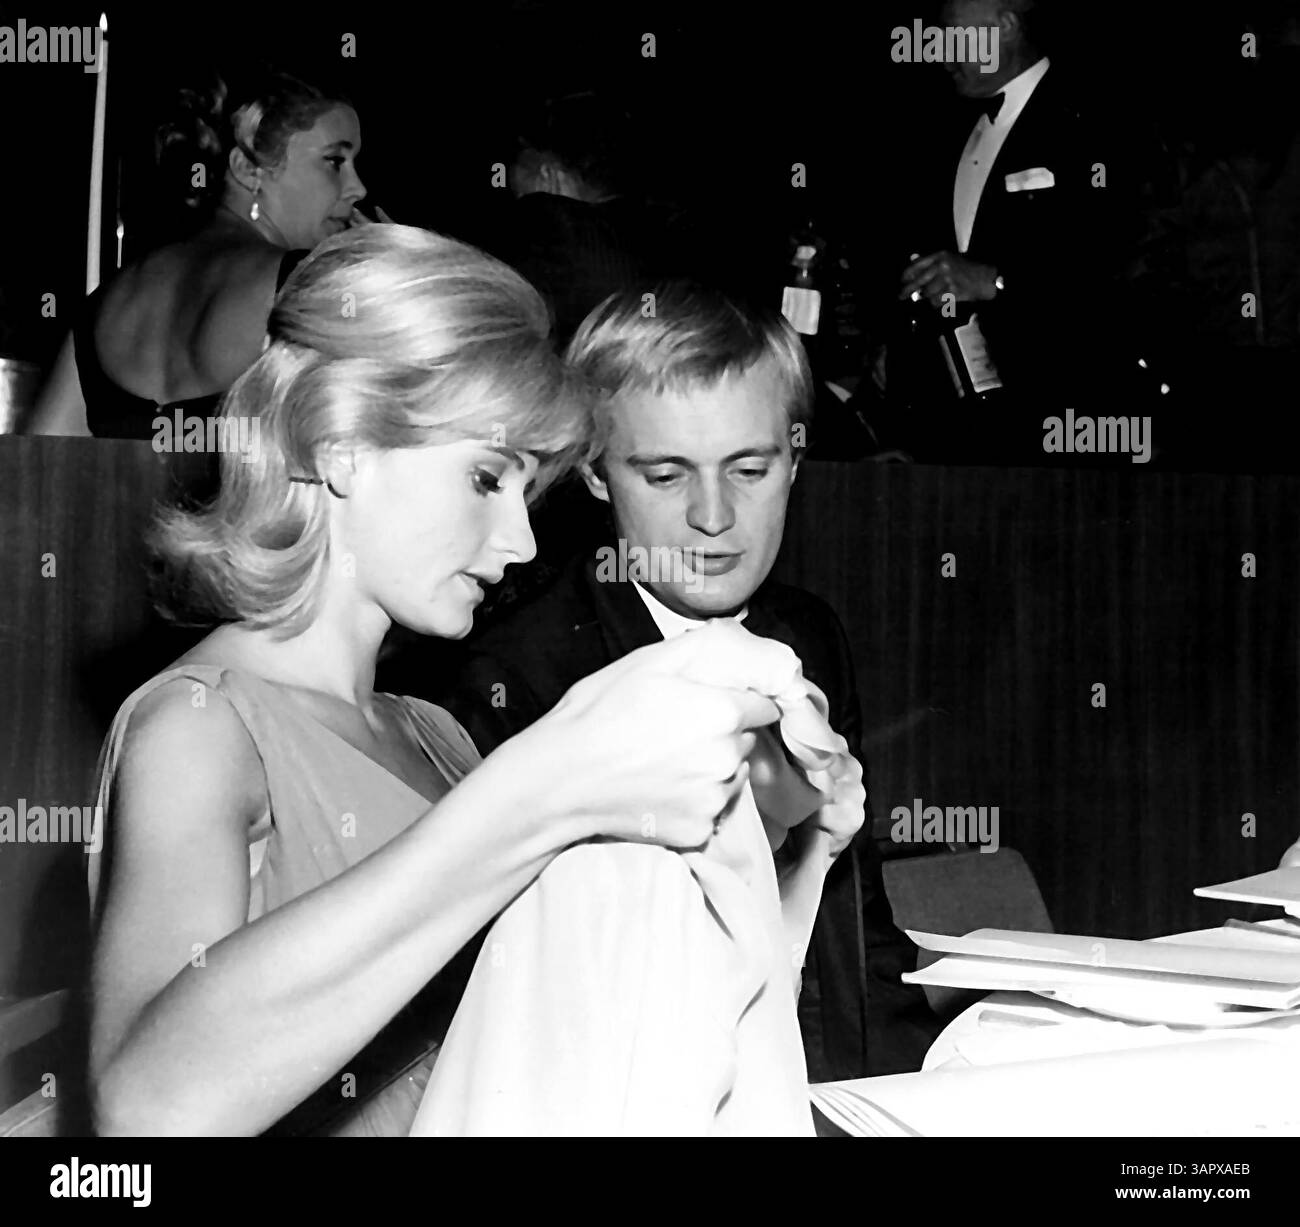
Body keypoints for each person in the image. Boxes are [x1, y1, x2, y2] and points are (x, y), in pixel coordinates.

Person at [85, 225, 811, 1136]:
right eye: (484, 477)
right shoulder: (198, 724)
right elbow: (146, 1110)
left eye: (527, 490)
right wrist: (534, 797)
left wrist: (789, 841)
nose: (521, 542)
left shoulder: (433, 732)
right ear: (340, 444)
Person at [396, 281, 941, 1080]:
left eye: (749, 468)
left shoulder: (807, 634)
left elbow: (854, 935)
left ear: (796, 458)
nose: (714, 516)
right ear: (592, 472)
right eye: (665, 475)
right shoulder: (517, 677)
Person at [27, 69, 371, 440]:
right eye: (335, 162)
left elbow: (40, 465)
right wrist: (398, 267)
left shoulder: (109, 299)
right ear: (248, 170)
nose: (358, 188)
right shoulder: (307, 286)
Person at [881, 0, 1144, 461]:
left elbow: (1128, 262)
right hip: (966, 416)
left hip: (1069, 412)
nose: (941, 54)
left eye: (952, 36)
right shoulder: (945, 127)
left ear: (1005, 26)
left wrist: (999, 281)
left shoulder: (1095, 118)